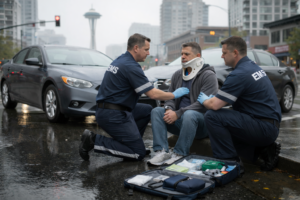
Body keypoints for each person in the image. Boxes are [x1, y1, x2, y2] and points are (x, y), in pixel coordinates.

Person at [79, 33, 190, 161]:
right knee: (138, 153)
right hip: (113, 115)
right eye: (146, 49)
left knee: (147, 110)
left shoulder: (121, 60)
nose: (148, 53)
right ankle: (93, 140)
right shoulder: (130, 66)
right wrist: (174, 94)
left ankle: (129, 144)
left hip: (111, 109)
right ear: (136, 48)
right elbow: (152, 94)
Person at [197, 36, 281, 172]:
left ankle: (229, 162)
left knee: (212, 116)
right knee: (225, 122)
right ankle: (263, 150)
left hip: (264, 128)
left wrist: (206, 100)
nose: (222, 56)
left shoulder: (239, 73)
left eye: (224, 53)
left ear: (235, 53)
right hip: (269, 124)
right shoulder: (252, 66)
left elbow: (215, 105)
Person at [147, 42, 218, 165]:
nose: (183, 57)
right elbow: (171, 96)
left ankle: (180, 153)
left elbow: (204, 104)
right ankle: (162, 152)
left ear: (198, 56)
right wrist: (169, 109)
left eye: (187, 54)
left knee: (190, 114)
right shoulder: (178, 75)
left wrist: (178, 113)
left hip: (201, 125)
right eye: (182, 54)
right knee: (157, 111)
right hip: (182, 122)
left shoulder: (208, 75)